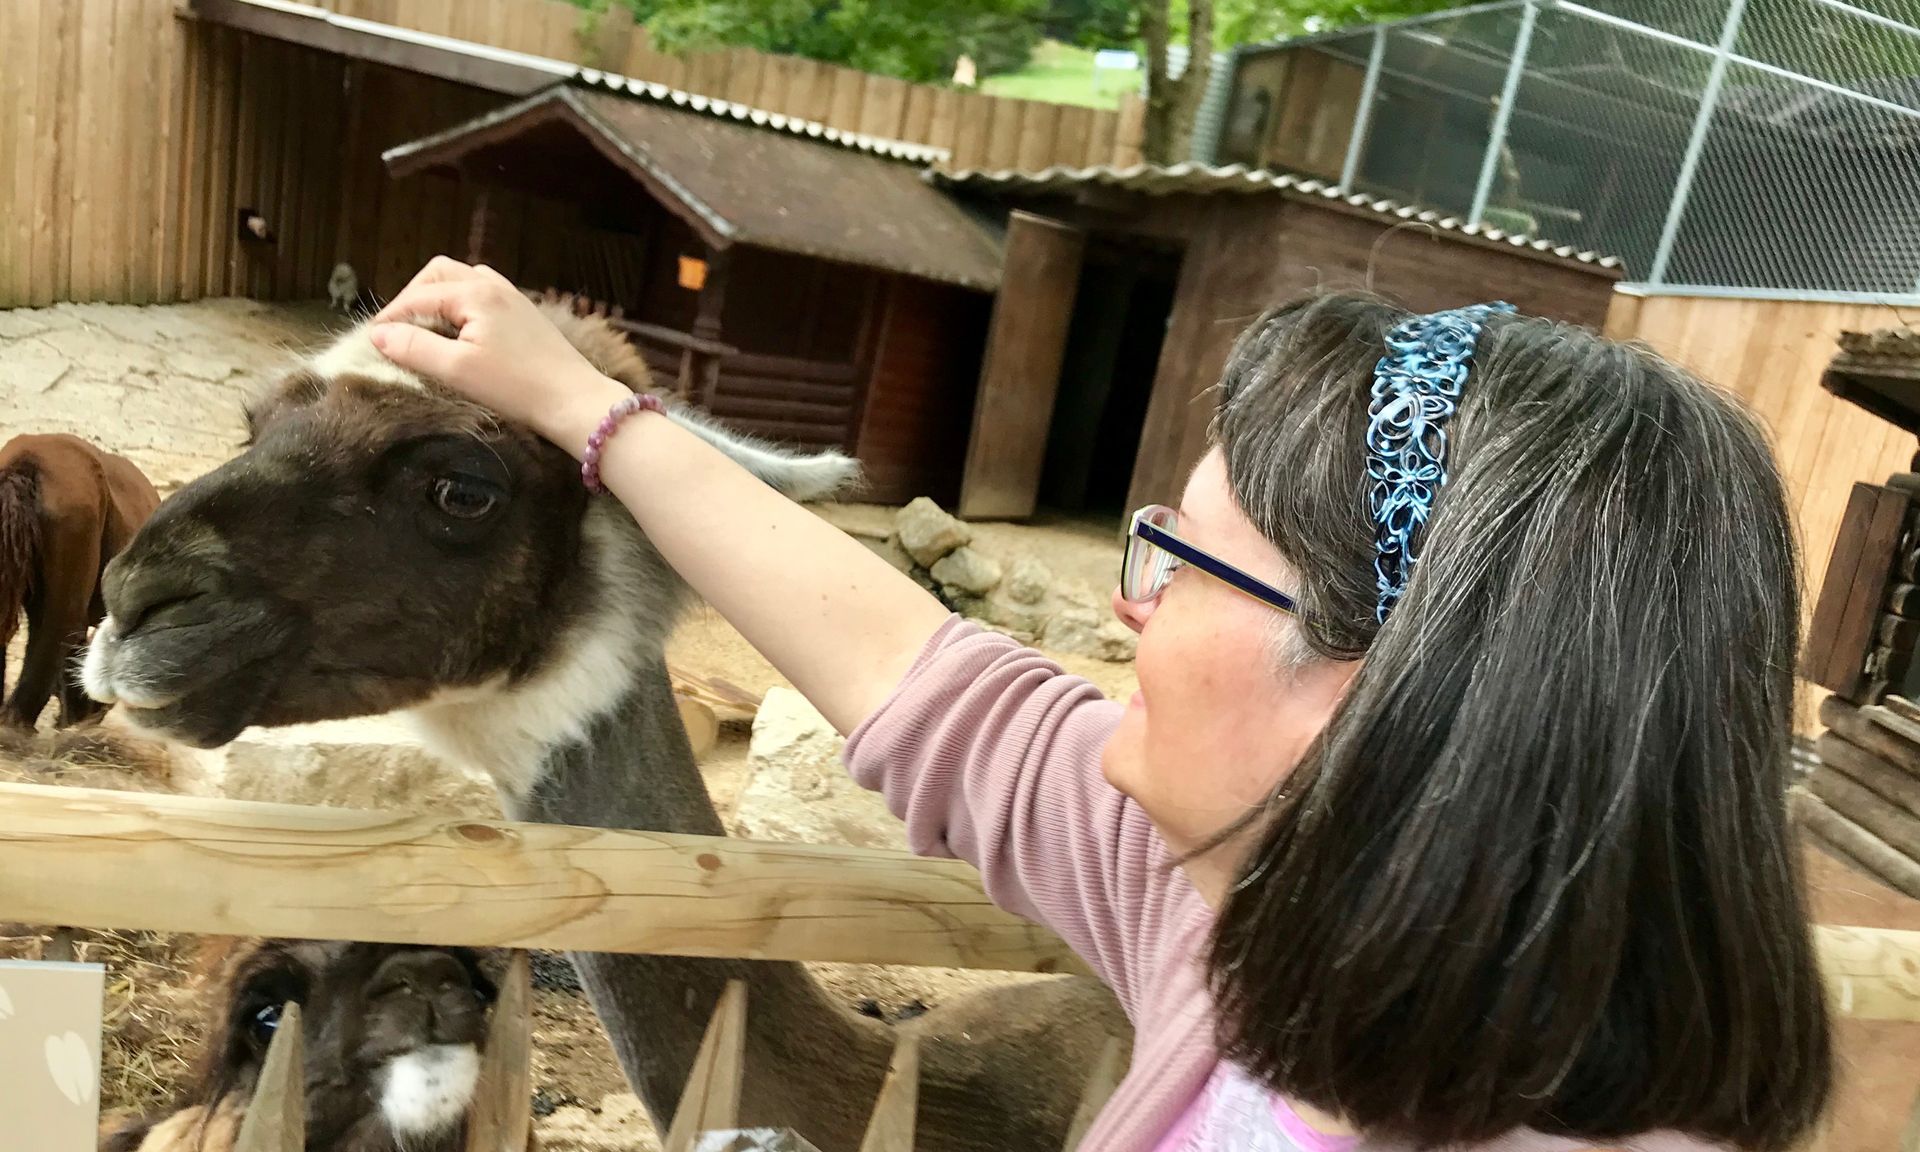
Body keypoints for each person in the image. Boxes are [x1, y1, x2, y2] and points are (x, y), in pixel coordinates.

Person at [367, 259, 1832, 1152]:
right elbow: (927, 680)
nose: (1128, 605)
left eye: (1185, 560)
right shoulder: (1252, 928)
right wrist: (590, 410)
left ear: (1380, 693)